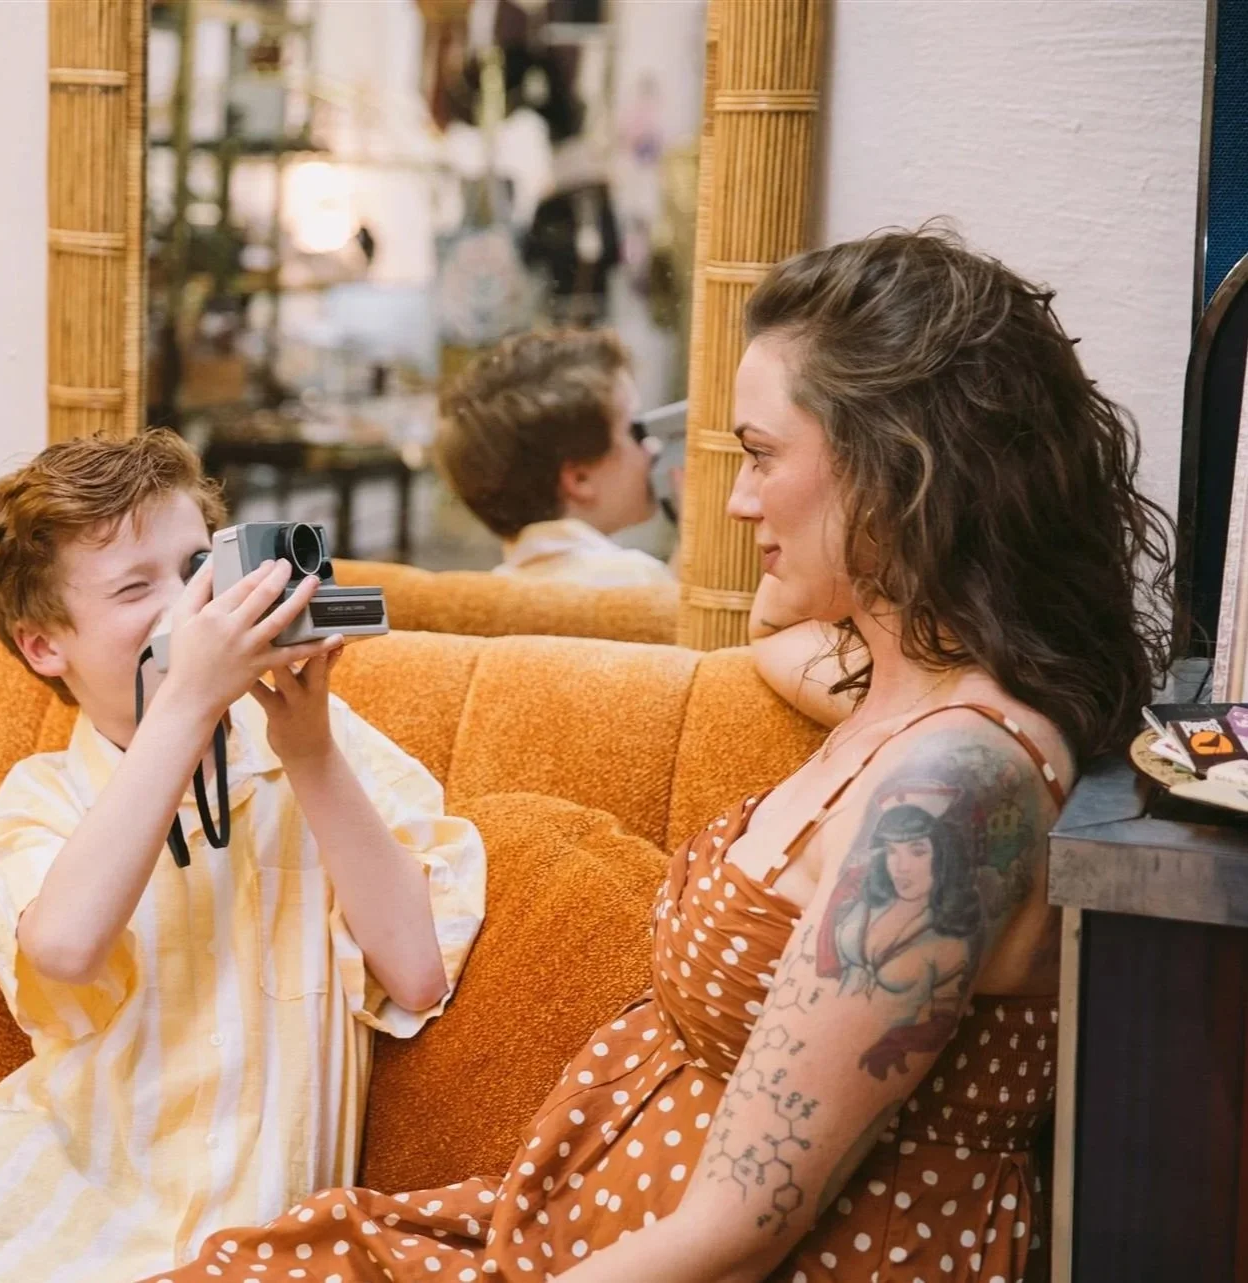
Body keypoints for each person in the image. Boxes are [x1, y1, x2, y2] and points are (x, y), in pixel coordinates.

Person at [132, 225, 1173, 1283]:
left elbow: (737, 1227)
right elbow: (777, 633)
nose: (733, 499)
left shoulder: (951, 792)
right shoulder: (901, 682)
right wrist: (840, 566)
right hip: (581, 1228)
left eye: (762, 456)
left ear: (898, 465)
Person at [0, 431, 486, 1283]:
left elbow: (418, 972)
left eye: (198, 568)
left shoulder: (319, 750)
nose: (190, 608)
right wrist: (189, 697)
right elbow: (61, 947)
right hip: (21, 1210)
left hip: (240, 1240)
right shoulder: (41, 798)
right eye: (137, 587)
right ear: (41, 646)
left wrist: (310, 749)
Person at [436, 328, 674, 589]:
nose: (651, 447)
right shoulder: (636, 579)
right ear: (579, 479)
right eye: (634, 431)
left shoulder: (498, 588)